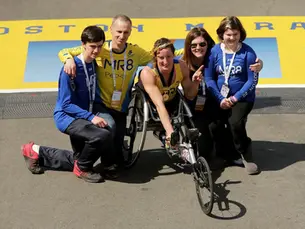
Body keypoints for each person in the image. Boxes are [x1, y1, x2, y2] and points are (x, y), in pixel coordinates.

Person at [57, 14, 182, 166]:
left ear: (130, 32)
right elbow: (65, 51)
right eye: (118, 32)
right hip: (101, 105)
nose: (122, 36)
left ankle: (101, 157)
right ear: (111, 30)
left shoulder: (136, 53)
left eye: (126, 32)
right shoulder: (100, 49)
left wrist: (187, 52)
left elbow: (159, 55)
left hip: (122, 107)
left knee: (119, 155)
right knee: (109, 130)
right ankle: (97, 164)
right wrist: (68, 59)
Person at [22, 25, 115, 183]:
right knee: (102, 136)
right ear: (83, 44)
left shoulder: (93, 63)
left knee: (78, 158)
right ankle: (83, 169)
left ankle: (35, 151)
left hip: (84, 112)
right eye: (92, 47)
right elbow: (65, 104)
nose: (96, 51)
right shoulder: (69, 70)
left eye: (100, 46)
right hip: (68, 116)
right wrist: (91, 117)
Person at [180, 27, 263, 169]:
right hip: (196, 104)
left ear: (208, 44)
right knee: (205, 143)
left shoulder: (214, 53)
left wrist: (260, 64)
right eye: (193, 45)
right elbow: (189, 94)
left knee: (224, 123)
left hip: (214, 99)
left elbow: (239, 58)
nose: (198, 48)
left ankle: (233, 153)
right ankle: (205, 148)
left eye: (202, 44)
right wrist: (195, 83)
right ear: (188, 46)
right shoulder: (182, 61)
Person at [204, 16, 260, 175]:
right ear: (222, 34)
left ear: (240, 34)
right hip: (219, 97)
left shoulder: (248, 52)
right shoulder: (214, 51)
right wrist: (220, 99)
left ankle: (245, 152)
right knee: (214, 124)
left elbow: (252, 81)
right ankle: (222, 154)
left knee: (235, 123)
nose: (232, 38)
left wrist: (235, 98)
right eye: (228, 34)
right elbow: (209, 78)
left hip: (243, 98)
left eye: (235, 34)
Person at [137, 38, 203, 147]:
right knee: (168, 127)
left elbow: (190, 95)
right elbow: (159, 105)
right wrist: (169, 131)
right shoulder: (148, 73)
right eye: (161, 58)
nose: (165, 62)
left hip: (171, 100)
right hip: (152, 105)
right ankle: (163, 134)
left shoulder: (181, 66)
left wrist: (195, 83)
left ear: (174, 55)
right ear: (155, 57)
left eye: (169, 57)